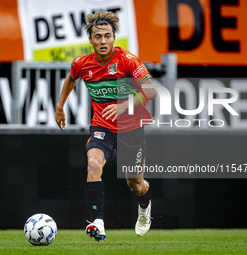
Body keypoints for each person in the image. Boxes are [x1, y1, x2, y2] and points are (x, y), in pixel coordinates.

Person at [55, 10, 157, 241]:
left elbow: (151, 90)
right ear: (90, 39)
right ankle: (98, 222)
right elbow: (71, 77)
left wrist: (123, 107)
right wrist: (60, 106)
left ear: (114, 38)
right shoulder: (82, 63)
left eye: (108, 36)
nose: (103, 41)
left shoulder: (127, 60)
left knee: (135, 183)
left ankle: (144, 209)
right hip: (103, 126)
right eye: (98, 36)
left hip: (131, 128)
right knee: (93, 164)